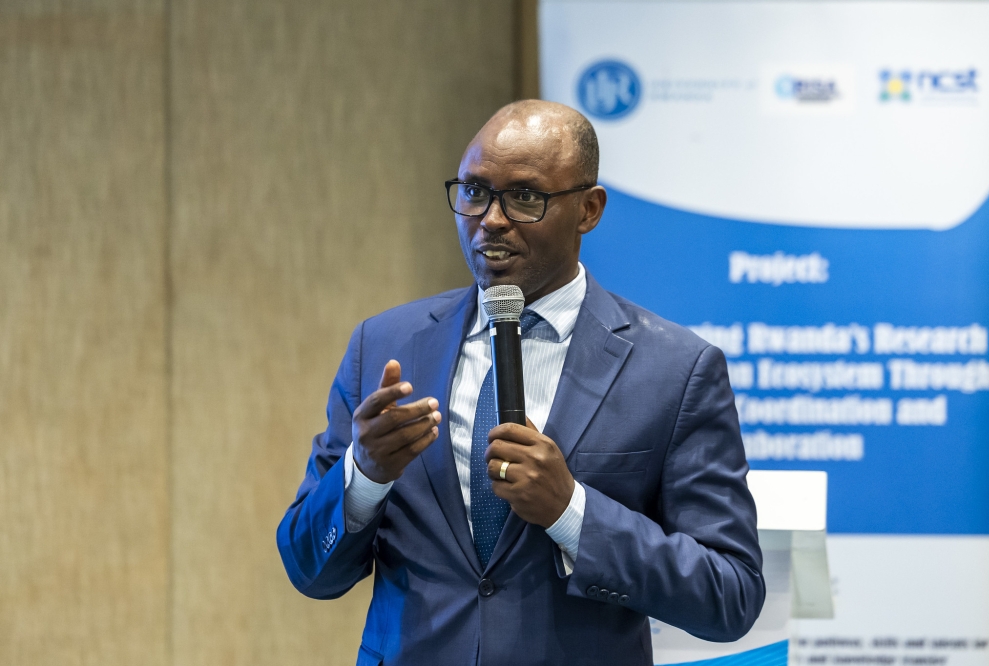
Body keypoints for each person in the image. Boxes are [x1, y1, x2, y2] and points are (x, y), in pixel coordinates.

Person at [276, 100, 764, 666]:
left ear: (589, 209)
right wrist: (363, 476)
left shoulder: (676, 370)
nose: (491, 219)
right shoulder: (384, 347)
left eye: (525, 197)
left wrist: (572, 512)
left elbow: (730, 595)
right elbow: (309, 569)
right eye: (475, 191)